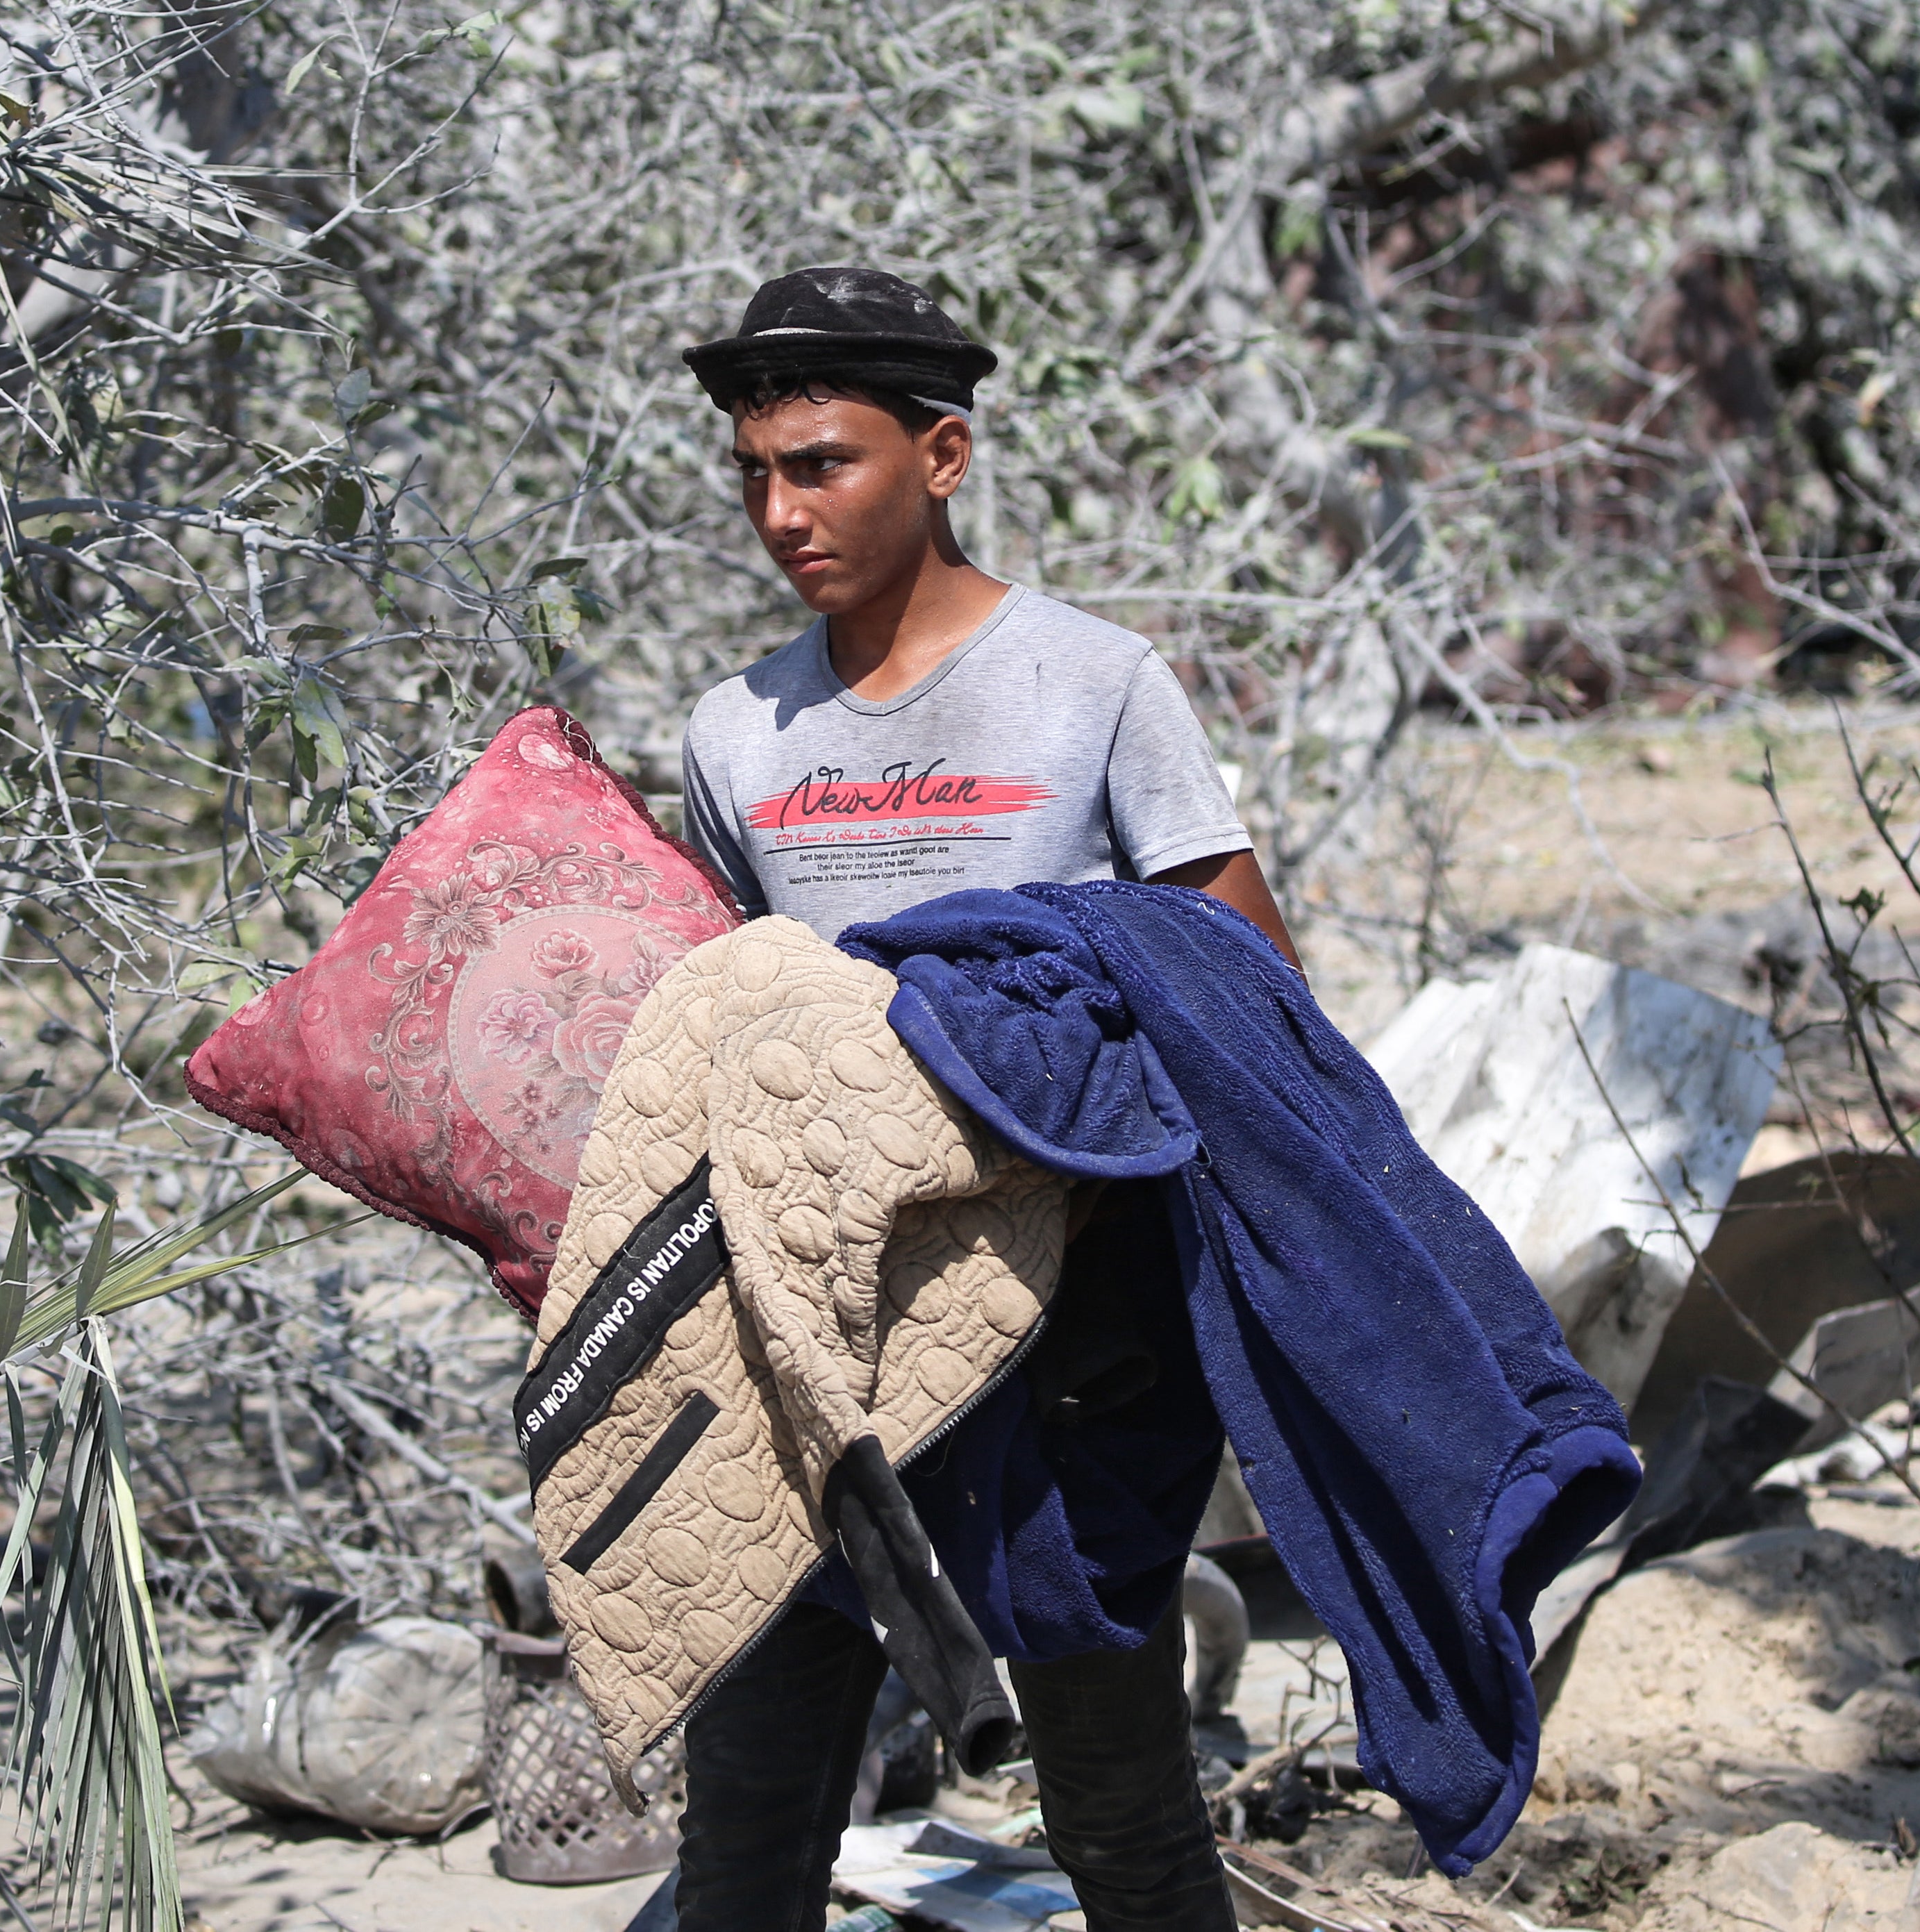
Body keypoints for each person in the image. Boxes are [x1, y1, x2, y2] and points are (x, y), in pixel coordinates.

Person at [663, 266, 1299, 1932]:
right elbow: (731, 1010)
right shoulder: (734, 731)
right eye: (753, 471)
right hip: (811, 1320)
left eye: (820, 462)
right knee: (750, 1785)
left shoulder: (1090, 682)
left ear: (940, 455)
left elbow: (1242, 981)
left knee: (1110, 1770)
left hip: (1067, 1315)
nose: (778, 507)